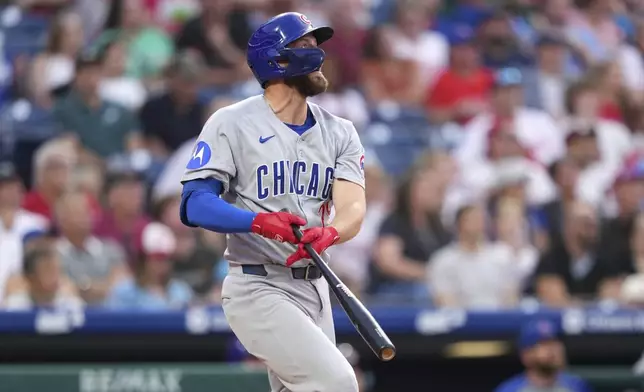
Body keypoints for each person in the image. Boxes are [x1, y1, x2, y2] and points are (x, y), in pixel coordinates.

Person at [179, 13, 366, 392]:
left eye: (317, 46)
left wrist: (330, 233)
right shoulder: (231, 121)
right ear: (276, 60)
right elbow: (194, 203)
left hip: (316, 288)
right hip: (257, 285)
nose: (318, 55)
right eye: (305, 46)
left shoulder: (340, 131)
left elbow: (353, 207)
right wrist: (259, 222)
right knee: (336, 382)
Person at [370, 162, 451, 301]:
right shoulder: (395, 222)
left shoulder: (437, 226)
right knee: (426, 293)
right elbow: (388, 262)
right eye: (429, 189)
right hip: (395, 289)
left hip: (430, 284)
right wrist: (426, 273)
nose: (435, 194)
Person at [428, 204, 520, 309]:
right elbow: (444, 299)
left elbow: (511, 296)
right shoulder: (443, 260)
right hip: (464, 320)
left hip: (499, 318)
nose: (478, 223)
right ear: (459, 224)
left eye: (481, 219)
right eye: (472, 219)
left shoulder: (502, 255)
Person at [54, 190, 128, 306]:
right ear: (61, 219)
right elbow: (58, 287)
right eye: (76, 213)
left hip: (109, 316)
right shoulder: (52, 253)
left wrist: (83, 288)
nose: (83, 217)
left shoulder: (111, 249)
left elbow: (121, 286)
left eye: (86, 212)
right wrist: (99, 287)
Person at [106, 222, 193, 310]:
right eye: (157, 260)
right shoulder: (125, 293)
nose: (162, 266)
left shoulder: (181, 291)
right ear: (144, 260)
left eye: (166, 260)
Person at [495, 319, 592, 392]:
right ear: (526, 355)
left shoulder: (577, 386)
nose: (553, 349)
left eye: (554, 343)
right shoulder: (510, 390)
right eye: (544, 344)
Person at [3, 245, 84, 310]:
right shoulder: (13, 307)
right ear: (30, 277)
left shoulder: (72, 305)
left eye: (57, 270)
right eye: (48, 271)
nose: (55, 277)